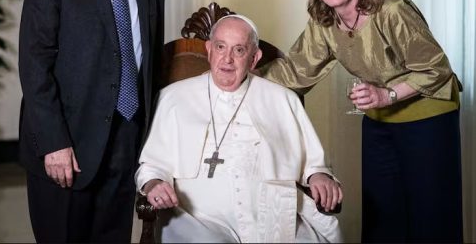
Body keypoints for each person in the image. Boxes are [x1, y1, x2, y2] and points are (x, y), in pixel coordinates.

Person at [258, 0, 463, 243]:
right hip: (380, 119)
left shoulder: (391, 9)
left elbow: (437, 68)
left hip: (428, 116)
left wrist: (386, 94)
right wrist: (241, 74)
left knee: (431, 220)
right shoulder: (324, 21)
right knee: (382, 221)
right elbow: (295, 71)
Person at [18, 0, 165, 242]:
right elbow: (35, 65)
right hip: (67, 144)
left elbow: (150, 62)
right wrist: (53, 142)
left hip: (126, 140)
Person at [135, 15, 343, 243]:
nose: (227, 59)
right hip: (197, 217)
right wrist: (154, 183)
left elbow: (312, 163)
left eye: (239, 50)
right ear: (209, 50)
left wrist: (318, 175)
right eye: (220, 47)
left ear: (254, 59)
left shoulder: (283, 99)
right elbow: (152, 165)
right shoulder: (173, 97)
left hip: (274, 214)